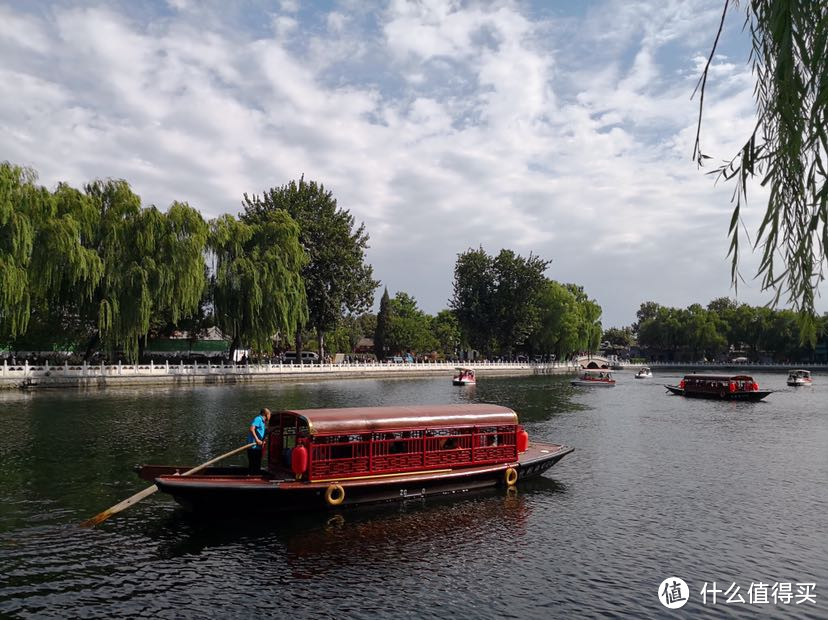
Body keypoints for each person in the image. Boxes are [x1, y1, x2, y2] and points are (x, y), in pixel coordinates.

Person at [247, 407, 271, 474]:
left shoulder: (263, 423)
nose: (270, 416)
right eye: (269, 414)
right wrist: (257, 439)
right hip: (253, 448)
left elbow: (261, 432)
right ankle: (252, 478)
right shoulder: (258, 419)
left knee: (257, 465)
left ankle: (254, 476)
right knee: (254, 465)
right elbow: (252, 428)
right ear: (265, 414)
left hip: (258, 447)